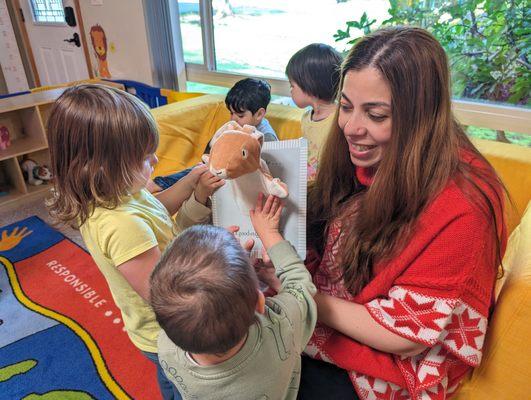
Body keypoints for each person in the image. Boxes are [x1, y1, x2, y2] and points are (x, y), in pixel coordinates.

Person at [299, 27, 507, 400]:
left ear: (421, 116)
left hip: (391, 365)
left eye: (376, 114)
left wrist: (302, 296)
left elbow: (406, 337)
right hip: (343, 313)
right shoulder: (368, 151)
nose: (351, 127)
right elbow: (324, 214)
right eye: (345, 106)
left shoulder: (464, 206)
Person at [46, 84, 224, 400]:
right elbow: (166, 296)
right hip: (167, 335)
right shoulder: (121, 224)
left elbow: (156, 209)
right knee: (181, 387)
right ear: (102, 167)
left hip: (167, 310)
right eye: (144, 158)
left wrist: (189, 184)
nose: (155, 160)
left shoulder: (119, 191)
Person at [150, 194, 317, 400]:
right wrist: (270, 234)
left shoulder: (166, 348)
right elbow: (300, 285)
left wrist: (227, 270)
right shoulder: (281, 329)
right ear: (260, 303)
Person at [150, 78, 278, 191]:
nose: (233, 119)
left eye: (240, 115)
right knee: (197, 170)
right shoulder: (236, 127)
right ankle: (160, 184)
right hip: (222, 170)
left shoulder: (266, 137)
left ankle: (160, 184)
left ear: (259, 114)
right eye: (231, 113)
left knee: (199, 172)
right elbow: (211, 151)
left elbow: (262, 173)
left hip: (239, 179)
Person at [285, 43, 342, 180]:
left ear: (309, 84)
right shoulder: (306, 117)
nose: (291, 90)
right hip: (307, 185)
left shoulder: (339, 119)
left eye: (292, 85)